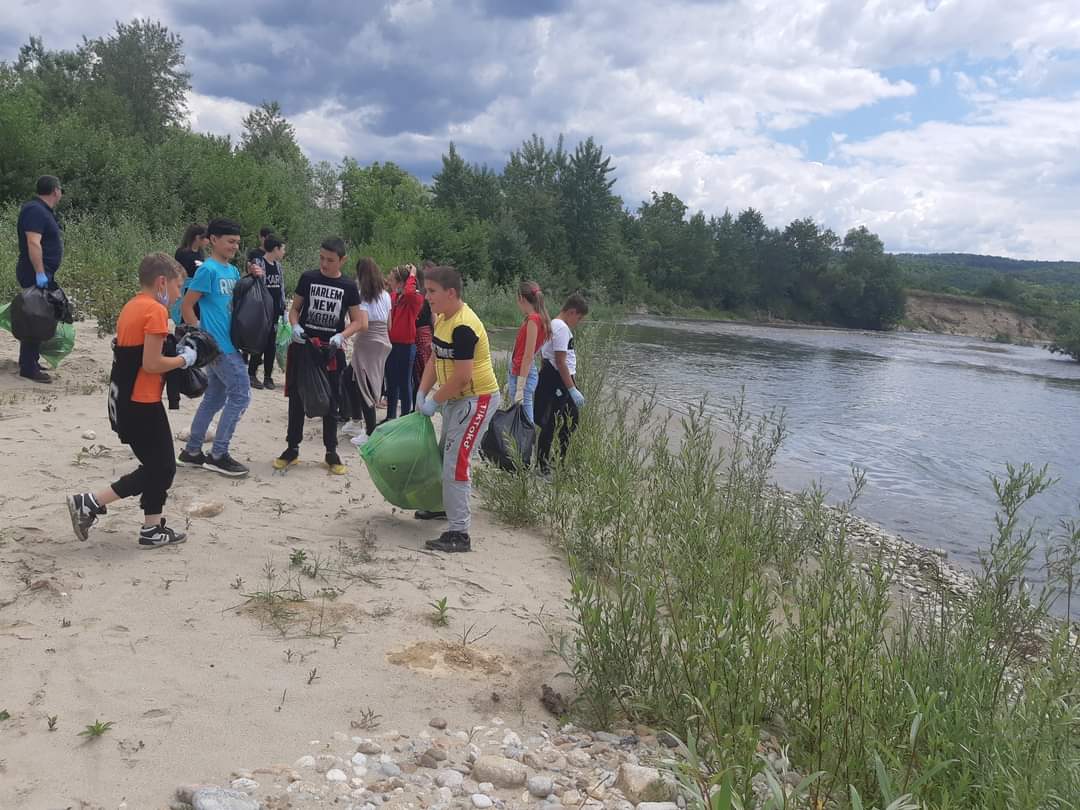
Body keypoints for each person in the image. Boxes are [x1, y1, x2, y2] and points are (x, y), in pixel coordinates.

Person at [66, 253, 197, 548]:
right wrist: (184, 359)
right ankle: (90, 501)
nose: (179, 295)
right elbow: (151, 363)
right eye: (178, 286)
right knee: (162, 468)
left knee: (157, 465)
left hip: (123, 398)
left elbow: (137, 356)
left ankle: (152, 529)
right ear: (162, 282)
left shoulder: (132, 306)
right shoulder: (155, 311)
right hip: (142, 403)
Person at [415, 266, 501, 553]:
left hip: (477, 399)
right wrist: (422, 391)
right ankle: (443, 507)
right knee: (444, 455)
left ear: (450, 293)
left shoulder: (464, 325)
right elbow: (435, 359)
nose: (427, 297)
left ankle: (459, 533)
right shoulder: (442, 318)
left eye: (432, 291)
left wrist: (434, 401)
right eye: (426, 291)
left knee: (457, 461)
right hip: (455, 399)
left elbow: (463, 376)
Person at [177, 218, 263, 477]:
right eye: (230, 241)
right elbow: (187, 305)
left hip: (230, 342)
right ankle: (218, 454)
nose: (234, 246)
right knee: (241, 395)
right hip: (219, 346)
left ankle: (192, 451)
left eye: (237, 242)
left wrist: (252, 276)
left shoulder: (232, 271)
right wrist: (201, 336)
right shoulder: (207, 270)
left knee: (214, 397)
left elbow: (234, 303)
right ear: (213, 240)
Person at [273, 237, 363, 475]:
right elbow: (295, 309)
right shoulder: (308, 278)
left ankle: (331, 452)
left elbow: (358, 321)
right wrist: (295, 326)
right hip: (304, 348)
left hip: (330, 351)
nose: (324, 264)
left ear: (342, 260)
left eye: (330, 260)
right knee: (296, 399)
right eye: (322, 258)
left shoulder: (348, 286)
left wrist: (342, 336)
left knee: (331, 402)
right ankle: (292, 449)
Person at [14, 175, 64, 383]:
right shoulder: (35, 210)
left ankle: (30, 359)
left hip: (41, 271)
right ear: (55, 191)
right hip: (34, 272)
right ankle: (28, 367)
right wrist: (40, 272)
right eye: (60, 190)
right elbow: (33, 243)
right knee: (36, 316)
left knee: (38, 314)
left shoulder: (42, 211)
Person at [535, 294, 589, 474]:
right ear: (572, 312)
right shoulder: (562, 328)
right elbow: (560, 361)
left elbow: (544, 354)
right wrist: (572, 389)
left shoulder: (553, 324)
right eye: (579, 318)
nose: (578, 322)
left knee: (567, 420)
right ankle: (545, 465)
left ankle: (556, 461)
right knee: (554, 422)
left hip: (557, 378)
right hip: (559, 380)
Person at [343, 257, 392, 446]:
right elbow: (389, 324)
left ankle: (370, 432)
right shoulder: (385, 295)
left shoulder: (362, 295)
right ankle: (356, 420)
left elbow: (362, 324)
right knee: (349, 377)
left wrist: (345, 333)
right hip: (382, 340)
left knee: (364, 385)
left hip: (367, 341)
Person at [507, 281, 551, 424]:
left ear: (521, 298)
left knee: (525, 420)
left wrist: (520, 386)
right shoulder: (540, 319)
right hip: (521, 370)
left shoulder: (533, 319)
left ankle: (527, 439)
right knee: (522, 418)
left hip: (523, 372)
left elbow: (527, 355)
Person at [248, 236, 287, 390]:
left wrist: (283, 307)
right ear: (276, 249)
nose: (283, 252)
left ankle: (268, 376)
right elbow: (253, 278)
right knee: (259, 342)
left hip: (275, 311)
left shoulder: (278, 266)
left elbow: (281, 288)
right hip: (261, 311)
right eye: (283, 249)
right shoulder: (259, 263)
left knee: (271, 344)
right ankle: (251, 373)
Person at [385, 264, 423, 419]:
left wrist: (412, 275)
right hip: (391, 344)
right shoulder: (394, 296)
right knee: (391, 382)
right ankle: (390, 416)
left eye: (393, 280)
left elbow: (409, 292)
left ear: (401, 282)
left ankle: (405, 417)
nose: (390, 282)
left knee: (404, 383)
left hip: (406, 346)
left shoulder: (414, 297)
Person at [171, 223, 207, 325]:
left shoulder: (200, 253)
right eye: (205, 238)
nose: (207, 241)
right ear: (197, 237)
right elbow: (178, 272)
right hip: (186, 288)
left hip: (198, 289)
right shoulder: (182, 253)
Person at [412, 260, 436, 404]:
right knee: (422, 373)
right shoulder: (427, 293)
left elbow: (433, 316)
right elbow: (433, 317)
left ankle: (418, 402)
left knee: (419, 373)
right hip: (423, 333)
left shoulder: (421, 293)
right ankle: (419, 401)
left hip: (420, 334)